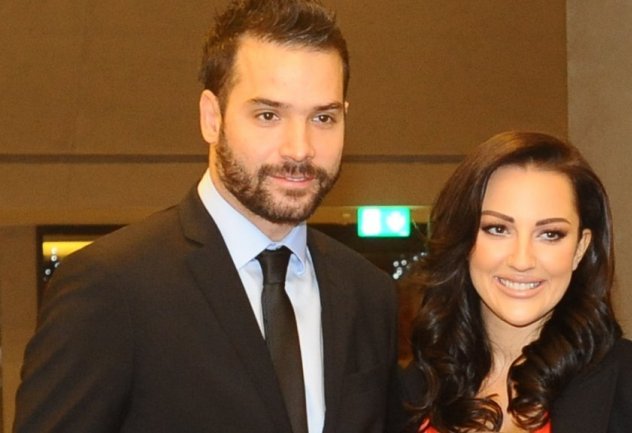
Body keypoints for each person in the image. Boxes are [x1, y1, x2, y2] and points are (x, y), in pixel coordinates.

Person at [14, 1, 403, 432]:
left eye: (323, 118)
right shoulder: (112, 287)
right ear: (211, 117)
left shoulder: (369, 294)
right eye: (268, 115)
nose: (300, 148)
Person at [401, 131, 632, 433]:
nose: (522, 259)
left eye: (550, 234)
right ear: (464, 240)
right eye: (498, 229)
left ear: (580, 248)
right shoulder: (415, 386)